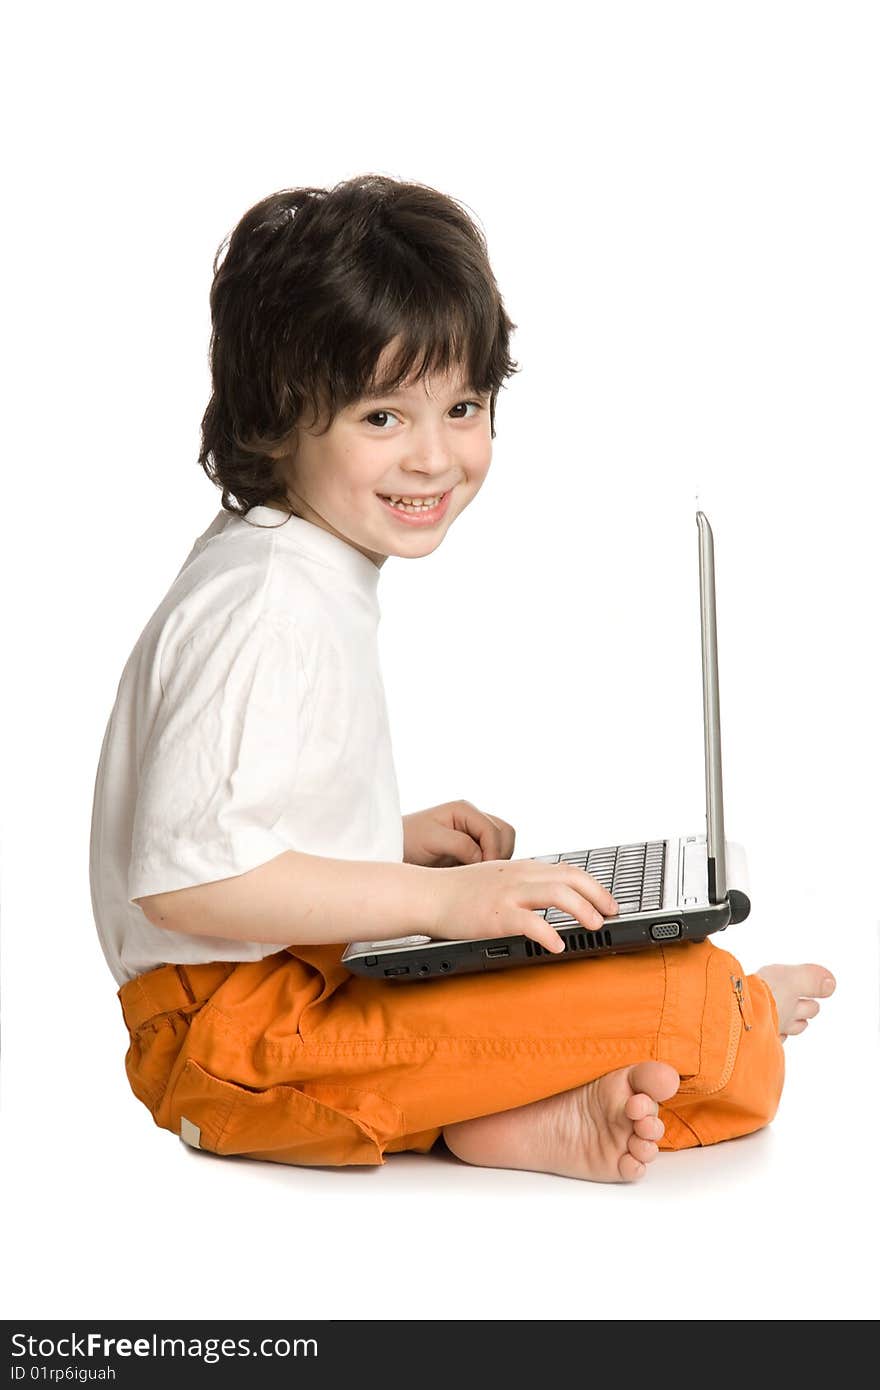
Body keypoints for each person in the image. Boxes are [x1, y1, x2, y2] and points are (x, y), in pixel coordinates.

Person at [89, 174, 835, 1183]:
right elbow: (190, 880)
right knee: (694, 1014)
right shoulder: (268, 600)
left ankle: (494, 1119)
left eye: (462, 404)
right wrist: (443, 904)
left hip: (288, 994)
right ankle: (707, 1020)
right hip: (236, 1041)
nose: (436, 457)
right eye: (382, 417)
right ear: (279, 415)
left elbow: (224, 821)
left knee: (595, 953)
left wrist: (384, 845)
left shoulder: (292, 560)